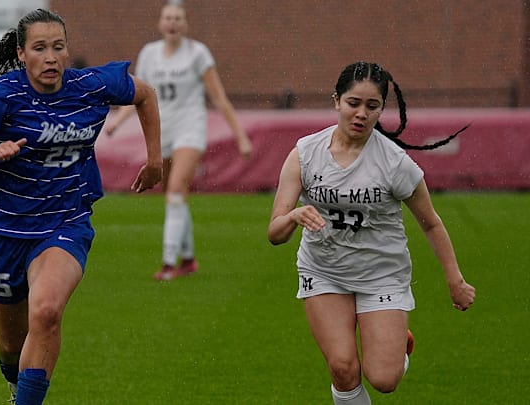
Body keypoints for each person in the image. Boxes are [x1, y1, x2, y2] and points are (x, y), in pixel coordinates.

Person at [0, 9, 162, 405]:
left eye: (58, 48)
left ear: (67, 53)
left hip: (65, 223)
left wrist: (154, 160)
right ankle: (16, 388)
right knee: (11, 342)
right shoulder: (4, 94)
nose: (50, 57)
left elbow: (145, 94)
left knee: (45, 313)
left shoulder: (91, 85)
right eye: (40, 48)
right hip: (4, 230)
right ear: (21, 54)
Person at [267, 61, 476, 404]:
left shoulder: (395, 163)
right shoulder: (305, 154)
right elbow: (274, 233)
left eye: (372, 106)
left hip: (382, 273)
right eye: (353, 103)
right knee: (343, 367)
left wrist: (455, 279)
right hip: (324, 271)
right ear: (336, 101)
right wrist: (294, 216)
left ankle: (397, 344)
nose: (361, 114)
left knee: (383, 379)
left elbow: (431, 222)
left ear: (382, 109)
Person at [103, 1, 253, 281]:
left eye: (177, 18)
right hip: (162, 130)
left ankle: (169, 263)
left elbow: (218, 97)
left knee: (175, 189)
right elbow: (139, 93)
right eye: (168, 18)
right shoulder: (149, 53)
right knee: (174, 197)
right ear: (161, 23)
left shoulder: (198, 54)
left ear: (185, 24)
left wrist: (241, 136)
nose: (172, 23)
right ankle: (189, 259)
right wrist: (118, 123)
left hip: (190, 129)